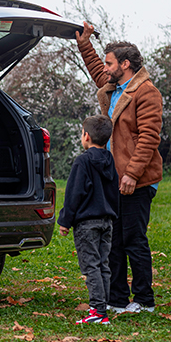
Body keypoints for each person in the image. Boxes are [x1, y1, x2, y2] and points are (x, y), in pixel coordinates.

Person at [75, 22, 163, 314]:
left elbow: (149, 138)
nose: (106, 67)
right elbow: (96, 71)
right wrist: (84, 43)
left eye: (110, 62)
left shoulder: (146, 93)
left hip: (137, 179)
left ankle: (144, 301)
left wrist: (132, 174)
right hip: (116, 178)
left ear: (125, 64)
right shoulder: (114, 87)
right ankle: (116, 299)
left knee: (133, 240)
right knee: (113, 243)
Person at [58, 115, 119, 324]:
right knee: (103, 264)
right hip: (106, 221)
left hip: (87, 224)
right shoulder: (110, 160)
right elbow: (114, 192)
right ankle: (103, 307)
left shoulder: (82, 161)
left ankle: (98, 312)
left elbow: (74, 193)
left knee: (90, 266)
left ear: (86, 136)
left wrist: (65, 220)